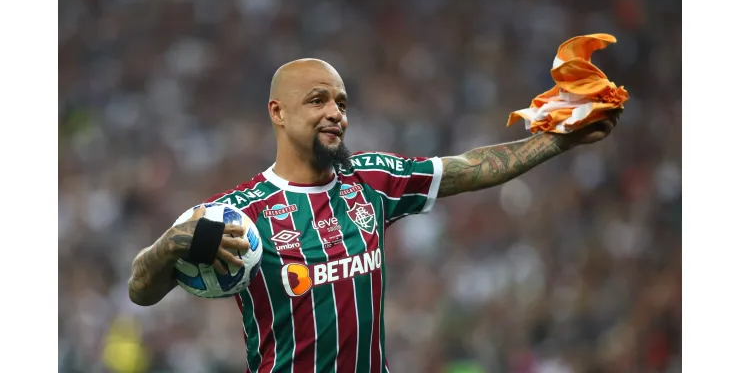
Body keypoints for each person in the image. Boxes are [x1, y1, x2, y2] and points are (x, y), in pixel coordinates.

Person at [127, 58, 620, 373]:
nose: (335, 112)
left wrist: (557, 139)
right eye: (317, 100)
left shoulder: (370, 180)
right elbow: (140, 290)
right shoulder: (239, 214)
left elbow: (471, 168)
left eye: (341, 102)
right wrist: (172, 244)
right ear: (277, 112)